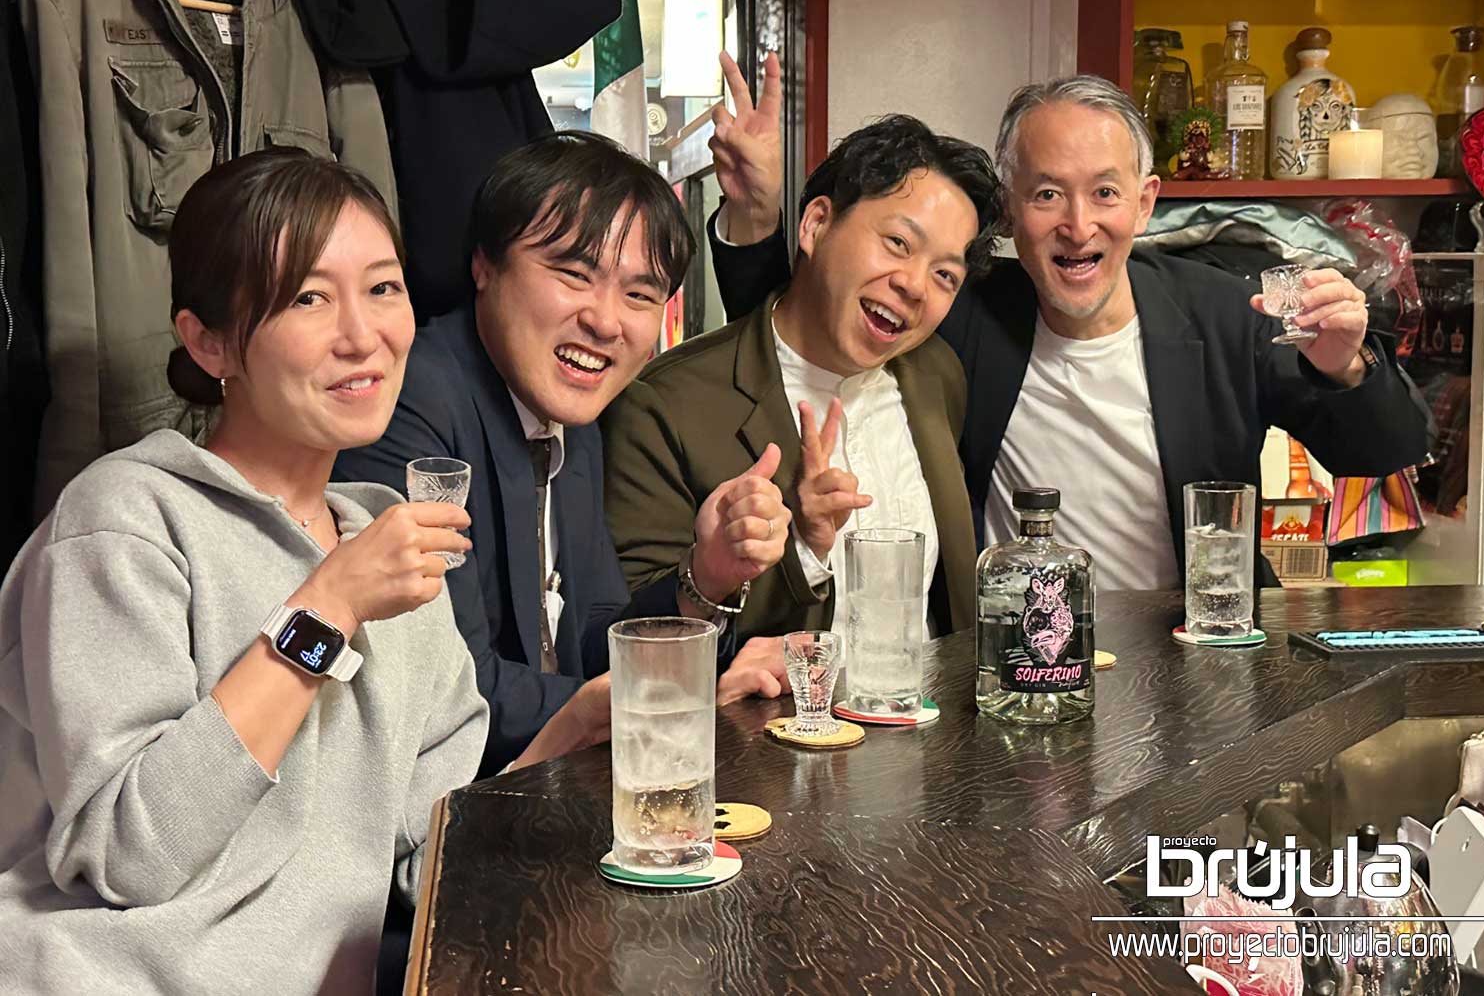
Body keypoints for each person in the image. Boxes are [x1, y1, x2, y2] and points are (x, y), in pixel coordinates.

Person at [0, 150, 606, 995]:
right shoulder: (126, 521)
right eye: (308, 297)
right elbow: (128, 855)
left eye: (383, 287)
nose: (363, 335)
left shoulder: (383, 542)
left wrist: (566, 738)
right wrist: (327, 606)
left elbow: (424, 856)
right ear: (209, 340)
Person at [708, 67, 1433, 590]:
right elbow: (808, 326)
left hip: (1196, 658)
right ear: (1009, 209)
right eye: (1048, 194)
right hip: (1018, 668)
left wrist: (1346, 365)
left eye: (1106, 192)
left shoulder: (1222, 313)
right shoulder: (966, 307)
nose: (1079, 226)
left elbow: (1386, 450)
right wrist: (756, 213)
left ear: (1144, 203)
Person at [336, 131, 791, 776]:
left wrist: (705, 578)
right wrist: (675, 694)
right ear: (485, 264)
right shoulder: (411, 403)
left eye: (640, 295)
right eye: (575, 275)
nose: (606, 322)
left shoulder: (571, 414)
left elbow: (590, 639)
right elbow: (453, 688)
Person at [600, 99, 1004, 642]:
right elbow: (634, 636)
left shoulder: (935, 374)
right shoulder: (663, 407)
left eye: (945, 275)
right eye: (898, 244)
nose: (914, 285)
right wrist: (803, 550)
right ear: (816, 224)